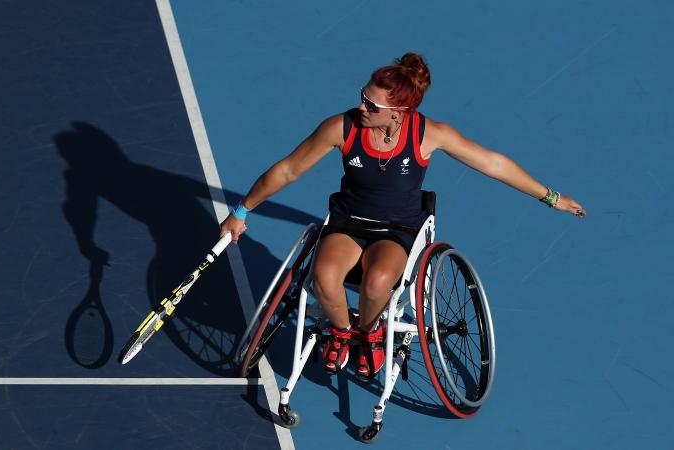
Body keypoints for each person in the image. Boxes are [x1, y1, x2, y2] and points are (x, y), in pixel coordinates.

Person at [219, 52, 586, 379]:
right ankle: (346, 333)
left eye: (371, 105)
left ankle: (371, 331)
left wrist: (551, 197)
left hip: (398, 230)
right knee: (325, 276)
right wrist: (240, 210)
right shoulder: (341, 128)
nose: (361, 107)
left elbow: (493, 163)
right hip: (349, 223)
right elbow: (288, 170)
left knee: (378, 282)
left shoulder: (430, 134)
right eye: (362, 97)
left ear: (398, 112)